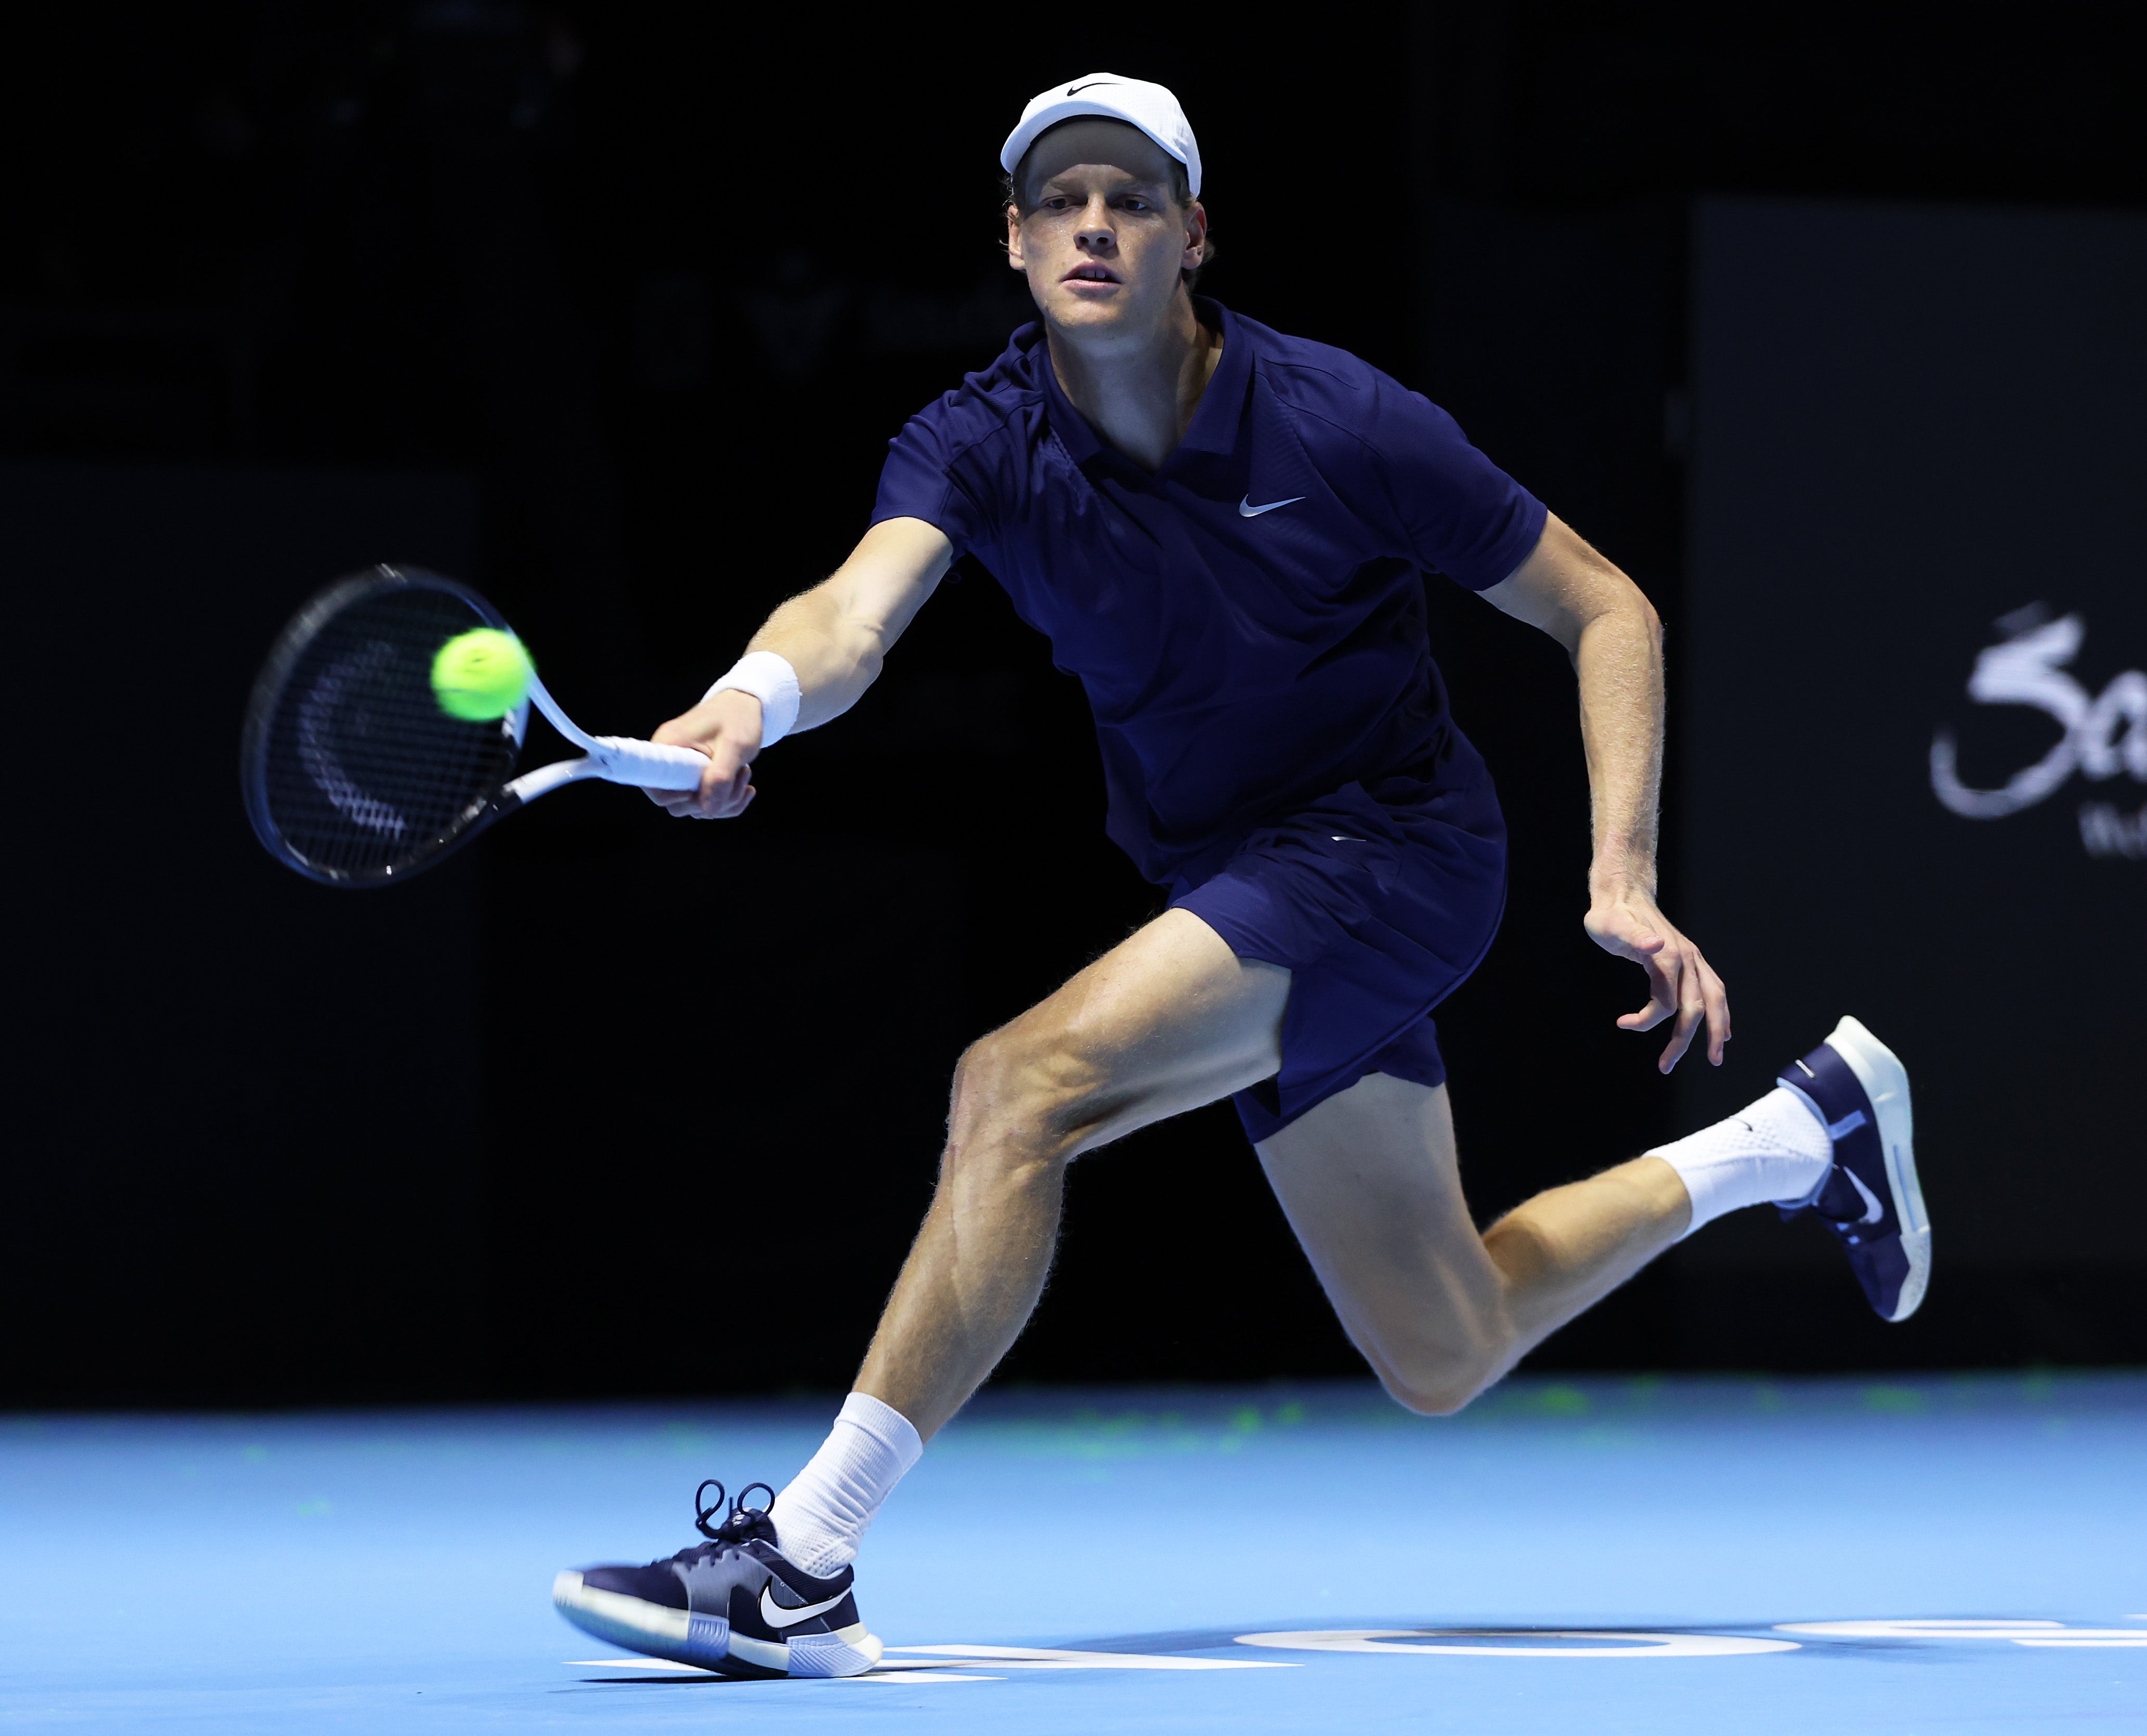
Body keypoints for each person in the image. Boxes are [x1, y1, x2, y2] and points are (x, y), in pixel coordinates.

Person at [550, 75, 1929, 1680]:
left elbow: (1606, 608)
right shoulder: (979, 440)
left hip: (1396, 850)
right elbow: (852, 614)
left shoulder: (1338, 419)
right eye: (1059, 200)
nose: (1092, 225)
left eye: (1130, 199)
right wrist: (747, 703)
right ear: (1011, 241)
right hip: (1238, 876)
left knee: (1020, 1084)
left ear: (1192, 236)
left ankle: (802, 1561)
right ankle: (1797, 1134)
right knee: (1446, 1343)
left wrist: (1619, 874)